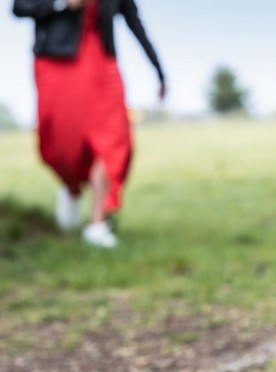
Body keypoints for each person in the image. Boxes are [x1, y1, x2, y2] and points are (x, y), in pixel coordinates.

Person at [13, 0, 166, 248]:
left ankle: (97, 223)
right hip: (56, 63)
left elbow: (135, 23)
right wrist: (63, 3)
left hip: (102, 65)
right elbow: (20, 7)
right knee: (61, 144)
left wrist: (159, 70)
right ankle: (71, 187)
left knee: (111, 140)